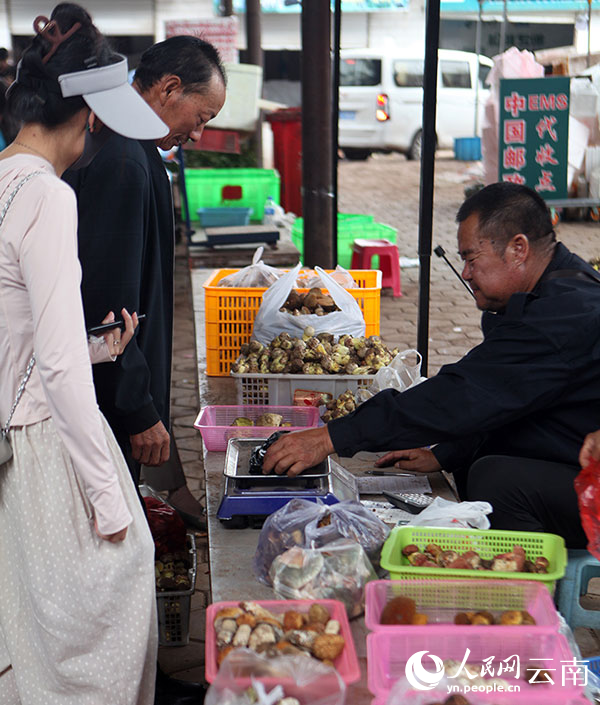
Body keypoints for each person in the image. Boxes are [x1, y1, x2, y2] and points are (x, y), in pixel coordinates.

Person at [263, 182, 600, 548]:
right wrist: (445, 453)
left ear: (518, 249)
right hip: (571, 457)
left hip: (592, 488)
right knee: (472, 461)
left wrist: (332, 436)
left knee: (495, 479)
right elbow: (512, 396)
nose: (466, 274)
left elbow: (465, 393)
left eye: (471, 259)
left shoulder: (565, 314)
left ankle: (531, 593)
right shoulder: (546, 290)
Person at [0, 3, 170, 703]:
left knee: (28, 620)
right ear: (91, 116)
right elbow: (61, 367)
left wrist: (98, 348)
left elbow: (24, 332)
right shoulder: (47, 193)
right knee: (111, 602)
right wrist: (110, 500)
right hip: (46, 445)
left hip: (12, 436)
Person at [64, 35, 226, 704]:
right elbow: (105, 305)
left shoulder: (135, 153)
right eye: (202, 115)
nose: (200, 130)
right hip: (105, 402)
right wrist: (140, 411)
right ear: (165, 92)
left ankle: (137, 679)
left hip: (114, 392)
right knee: (111, 556)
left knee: (117, 554)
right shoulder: (124, 165)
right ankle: (126, 685)